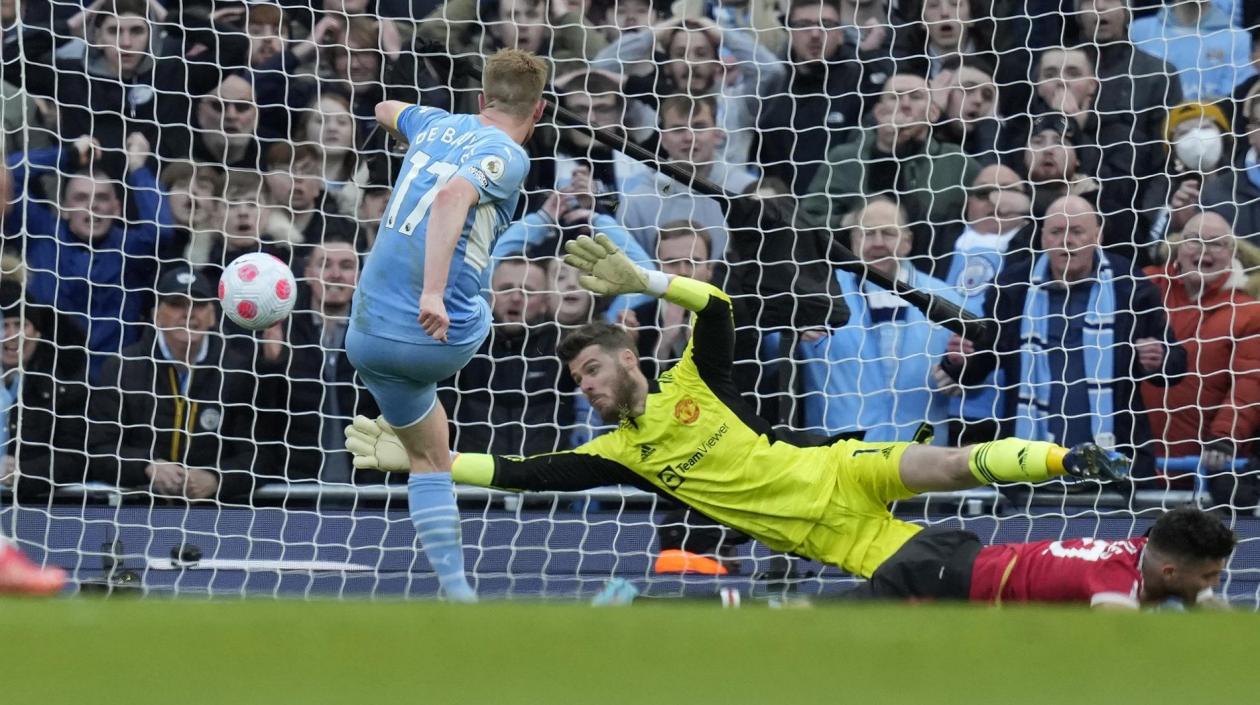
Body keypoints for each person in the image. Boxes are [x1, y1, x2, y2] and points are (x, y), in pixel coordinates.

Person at [346, 234, 1131, 582]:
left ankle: (1075, 460)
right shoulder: (621, 452)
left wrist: (647, 279)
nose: (584, 387)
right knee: (959, 574)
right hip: (835, 538)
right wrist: (427, 457)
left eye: (589, 369)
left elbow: (716, 307)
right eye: (577, 381)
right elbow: (521, 472)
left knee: (950, 466)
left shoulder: (693, 382)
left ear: (626, 354)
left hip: (837, 468)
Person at [345, 48, 548, 602]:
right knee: (487, 292)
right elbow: (454, 193)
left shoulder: (436, 122)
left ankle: (457, 592)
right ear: (541, 110)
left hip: (363, 335)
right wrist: (432, 292)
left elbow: (387, 107)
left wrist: (410, 135)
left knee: (429, 457)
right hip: (440, 334)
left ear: (481, 99)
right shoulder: (507, 153)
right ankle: (459, 591)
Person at [937, 195, 1187, 478]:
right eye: (1056, 232)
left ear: (1098, 236)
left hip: (1116, 463)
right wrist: (958, 361)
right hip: (1028, 465)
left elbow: (1176, 366)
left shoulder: (1130, 284)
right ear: (1043, 237)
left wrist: (1158, 359)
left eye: (1077, 232)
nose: (1066, 240)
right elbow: (979, 368)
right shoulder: (1012, 288)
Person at [87, 266, 261, 501]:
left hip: (217, 516)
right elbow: (98, 450)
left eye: (198, 305)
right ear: (156, 315)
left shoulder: (238, 371)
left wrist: (217, 478)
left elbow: (261, 455)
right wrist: (146, 466)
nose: (189, 314)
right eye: (177, 304)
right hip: (139, 511)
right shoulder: (122, 367)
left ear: (213, 315)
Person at [797, 199, 963, 442]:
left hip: (921, 458)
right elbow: (768, 353)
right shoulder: (818, 296)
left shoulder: (947, 299)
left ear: (907, 242)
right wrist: (790, 331)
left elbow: (980, 364)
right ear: (853, 240)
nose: (877, 243)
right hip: (839, 456)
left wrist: (964, 375)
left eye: (888, 233)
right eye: (868, 233)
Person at [844, 506, 1235, 609]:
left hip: (958, 556)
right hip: (940, 580)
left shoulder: (1146, 547)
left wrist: (1198, 595)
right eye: (1209, 577)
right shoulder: (1116, 588)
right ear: (1168, 571)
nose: (1213, 585)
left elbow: (1190, 585)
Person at [1140, 211, 1260, 479]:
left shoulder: (1250, 312)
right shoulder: (1144, 287)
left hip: (1209, 468)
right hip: (1137, 458)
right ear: (1179, 247)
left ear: (1232, 253)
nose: (1204, 250)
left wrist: (1224, 437)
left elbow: (1249, 385)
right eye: (1194, 240)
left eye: (1216, 243)